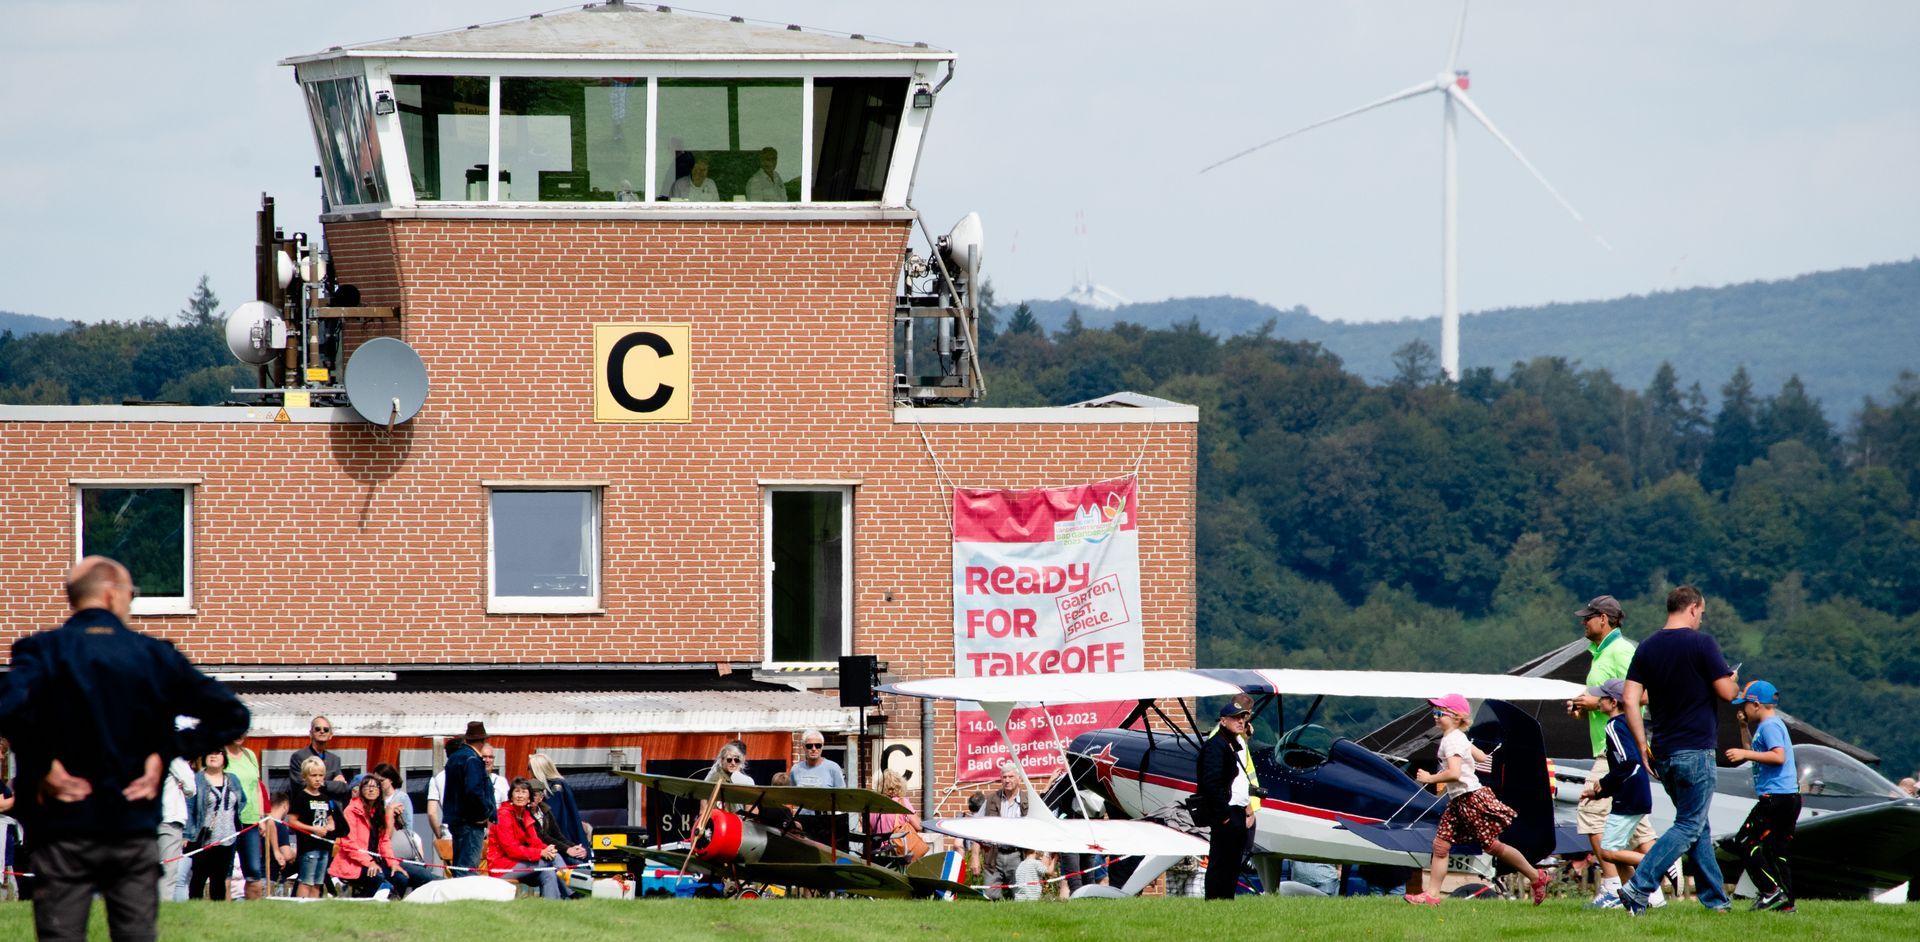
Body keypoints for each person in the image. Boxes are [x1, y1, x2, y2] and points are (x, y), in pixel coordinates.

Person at [0, 555, 249, 942]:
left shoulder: (41, 652)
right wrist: (165, 751)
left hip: (62, 827)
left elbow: (7, 709)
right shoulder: (152, 657)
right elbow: (231, 715)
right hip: (131, 826)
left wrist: (42, 762)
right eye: (131, 594)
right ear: (111, 594)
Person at [1617, 585, 1739, 914]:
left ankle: (1716, 902)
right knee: (1688, 825)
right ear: (1694, 608)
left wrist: (1642, 745)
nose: (1701, 618)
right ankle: (1637, 887)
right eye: (1702, 612)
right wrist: (1732, 678)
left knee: (1698, 825)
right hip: (1696, 749)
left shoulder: (1646, 647)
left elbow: (1629, 699)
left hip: (1664, 750)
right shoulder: (1702, 643)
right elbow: (1727, 693)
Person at [1405, 694, 1551, 907]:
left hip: (1469, 799)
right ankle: (1432, 894)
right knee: (1441, 846)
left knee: (1492, 846)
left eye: (1440, 713)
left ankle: (1536, 876)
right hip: (1458, 800)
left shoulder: (1451, 740)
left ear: (1456, 717)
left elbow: (1454, 773)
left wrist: (1430, 778)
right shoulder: (1459, 737)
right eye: (1434, 712)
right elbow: (1482, 756)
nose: (1435, 717)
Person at [1562, 594, 1653, 905]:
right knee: (1638, 828)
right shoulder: (1599, 654)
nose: (1583, 622)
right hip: (1612, 748)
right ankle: (1652, 893)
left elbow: (1644, 694)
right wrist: (1584, 707)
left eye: (1588, 617)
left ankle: (1614, 888)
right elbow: (1608, 698)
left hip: (1618, 749)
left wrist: (1595, 705)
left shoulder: (1622, 650)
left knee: (1590, 812)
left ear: (1605, 619)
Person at [1578, 679, 1660, 908]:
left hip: (1628, 796)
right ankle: (1634, 900)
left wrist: (1603, 783)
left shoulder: (1614, 726)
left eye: (1602, 698)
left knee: (1607, 852)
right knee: (1616, 850)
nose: (1598, 701)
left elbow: (1628, 763)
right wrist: (1600, 793)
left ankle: (1658, 863)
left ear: (1612, 702)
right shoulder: (1629, 723)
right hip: (1633, 794)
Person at [1725, 680, 1799, 913]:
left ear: (1756, 704)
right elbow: (1756, 754)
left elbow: (1778, 757)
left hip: (1776, 797)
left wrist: (1743, 752)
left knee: (1745, 841)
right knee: (1776, 850)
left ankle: (1769, 891)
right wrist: (1743, 728)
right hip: (1787, 797)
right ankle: (1786, 902)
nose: (1743, 708)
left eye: (1745, 704)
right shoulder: (1769, 725)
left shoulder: (1770, 726)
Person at [1197, 694, 1256, 900]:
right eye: (1235, 718)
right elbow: (1210, 783)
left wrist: (1247, 808)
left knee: (1232, 863)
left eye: (1243, 717)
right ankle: (1215, 901)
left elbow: (1239, 781)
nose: (1240, 721)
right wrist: (1224, 815)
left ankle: (1226, 901)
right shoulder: (1216, 745)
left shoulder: (1235, 743)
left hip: (1237, 811)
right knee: (1220, 862)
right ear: (1223, 721)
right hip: (1226, 812)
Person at [486, 778, 564, 899]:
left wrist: (547, 849)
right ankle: (574, 894)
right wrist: (541, 853)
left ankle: (552, 908)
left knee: (549, 870)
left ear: (529, 798)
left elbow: (534, 841)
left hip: (520, 864)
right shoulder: (503, 815)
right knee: (546, 862)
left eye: (524, 792)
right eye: (517, 791)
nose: (520, 796)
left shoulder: (525, 814)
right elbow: (511, 849)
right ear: (511, 795)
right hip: (502, 867)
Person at [185, 750, 247, 901]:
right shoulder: (197, 779)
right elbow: (190, 807)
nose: (213, 755)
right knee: (198, 878)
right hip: (203, 838)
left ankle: (216, 913)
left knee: (219, 879)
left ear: (224, 757)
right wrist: (187, 834)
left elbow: (242, 800)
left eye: (217, 752)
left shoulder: (232, 779)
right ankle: (196, 912)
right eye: (209, 752)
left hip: (227, 837)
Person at [330, 775, 404, 898]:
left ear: (380, 791)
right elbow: (349, 845)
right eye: (367, 786)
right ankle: (365, 903)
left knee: (401, 878)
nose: (371, 790)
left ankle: (394, 907)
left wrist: (392, 863)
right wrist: (369, 862)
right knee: (377, 877)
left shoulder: (380, 812)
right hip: (354, 863)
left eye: (374, 786)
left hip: (377, 862)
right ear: (360, 790)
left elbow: (384, 841)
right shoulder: (351, 811)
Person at [372, 763, 441, 895]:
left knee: (417, 873)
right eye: (376, 781)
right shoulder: (376, 799)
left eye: (381, 781)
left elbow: (408, 825)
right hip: (383, 844)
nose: (378, 784)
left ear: (390, 779)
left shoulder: (401, 797)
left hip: (399, 842)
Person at [971, 761, 1031, 900]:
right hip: (994, 856)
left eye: (1011, 776)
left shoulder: (1028, 801)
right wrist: (975, 857)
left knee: (1021, 897)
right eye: (1004, 777)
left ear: (1019, 779)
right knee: (990, 895)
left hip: (1017, 856)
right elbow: (976, 829)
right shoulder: (991, 799)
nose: (1007, 780)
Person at [442, 722, 495, 876]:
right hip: (470, 822)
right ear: (482, 741)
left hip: (456, 819)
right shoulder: (472, 759)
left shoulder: (454, 758)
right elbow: (474, 790)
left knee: (460, 865)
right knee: (468, 868)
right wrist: (484, 813)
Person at [223, 738, 271, 900]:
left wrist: (261, 817)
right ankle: (224, 914)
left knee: (254, 870)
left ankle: (254, 913)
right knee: (225, 871)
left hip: (251, 821)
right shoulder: (219, 754)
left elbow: (257, 787)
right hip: (227, 820)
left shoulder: (250, 755)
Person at [284, 756, 337, 898]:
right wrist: (313, 829)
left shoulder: (325, 798)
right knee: (306, 880)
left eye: (321, 775)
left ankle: (314, 907)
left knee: (318, 882)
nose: (318, 779)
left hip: (324, 846)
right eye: (314, 775)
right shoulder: (301, 797)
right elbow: (292, 821)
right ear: (305, 777)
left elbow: (331, 819)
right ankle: (302, 905)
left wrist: (330, 826)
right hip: (308, 846)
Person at [528, 754, 590, 866]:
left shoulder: (554, 788)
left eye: (530, 768)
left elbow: (553, 827)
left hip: (559, 843)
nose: (529, 772)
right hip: (564, 841)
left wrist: (568, 847)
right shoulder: (559, 785)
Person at [791, 730, 847, 847]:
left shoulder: (833, 768)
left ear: (822, 747)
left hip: (826, 820)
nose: (814, 749)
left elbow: (842, 796)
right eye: (809, 745)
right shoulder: (796, 769)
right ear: (804, 747)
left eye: (818, 745)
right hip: (804, 818)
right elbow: (792, 795)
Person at [158, 756, 194, 902]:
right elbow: (191, 787)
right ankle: (163, 912)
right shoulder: (171, 753)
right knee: (167, 871)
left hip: (139, 819)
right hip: (168, 819)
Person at [865, 769, 923, 858]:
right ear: (900, 785)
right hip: (898, 852)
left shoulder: (872, 806)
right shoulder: (902, 803)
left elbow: (867, 832)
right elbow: (918, 826)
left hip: (877, 853)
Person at [288, 716, 345, 785]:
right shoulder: (299, 757)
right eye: (318, 729)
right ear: (311, 733)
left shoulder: (335, 760)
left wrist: (318, 783)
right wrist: (330, 784)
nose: (322, 731)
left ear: (330, 735)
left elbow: (342, 787)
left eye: (326, 729)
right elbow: (300, 785)